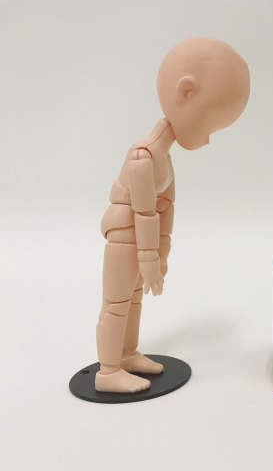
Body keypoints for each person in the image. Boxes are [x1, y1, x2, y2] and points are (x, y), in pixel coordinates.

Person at [95, 37, 250, 393]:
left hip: (142, 241)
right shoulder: (143, 157)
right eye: (211, 123)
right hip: (124, 238)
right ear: (186, 92)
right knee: (117, 303)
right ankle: (107, 371)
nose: (206, 139)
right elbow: (144, 212)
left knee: (134, 299)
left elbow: (166, 208)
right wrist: (149, 257)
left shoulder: (164, 158)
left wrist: (161, 253)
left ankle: (126, 354)